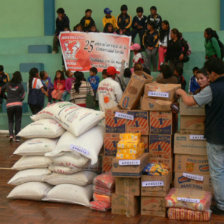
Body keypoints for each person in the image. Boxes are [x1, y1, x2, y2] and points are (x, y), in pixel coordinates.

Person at [176, 58, 224, 215]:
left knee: (217, 171)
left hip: (217, 135)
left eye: (208, 74)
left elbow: (189, 101)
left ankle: (222, 205)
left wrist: (182, 92)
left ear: (214, 73)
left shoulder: (213, 89)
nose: (208, 77)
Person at [1, 71, 25, 142]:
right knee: (18, 121)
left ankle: (11, 135)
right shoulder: (20, 85)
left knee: (10, 121)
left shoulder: (7, 84)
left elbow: (1, 90)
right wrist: (19, 100)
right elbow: (23, 95)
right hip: (18, 104)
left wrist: (5, 97)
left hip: (9, 105)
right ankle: (17, 137)